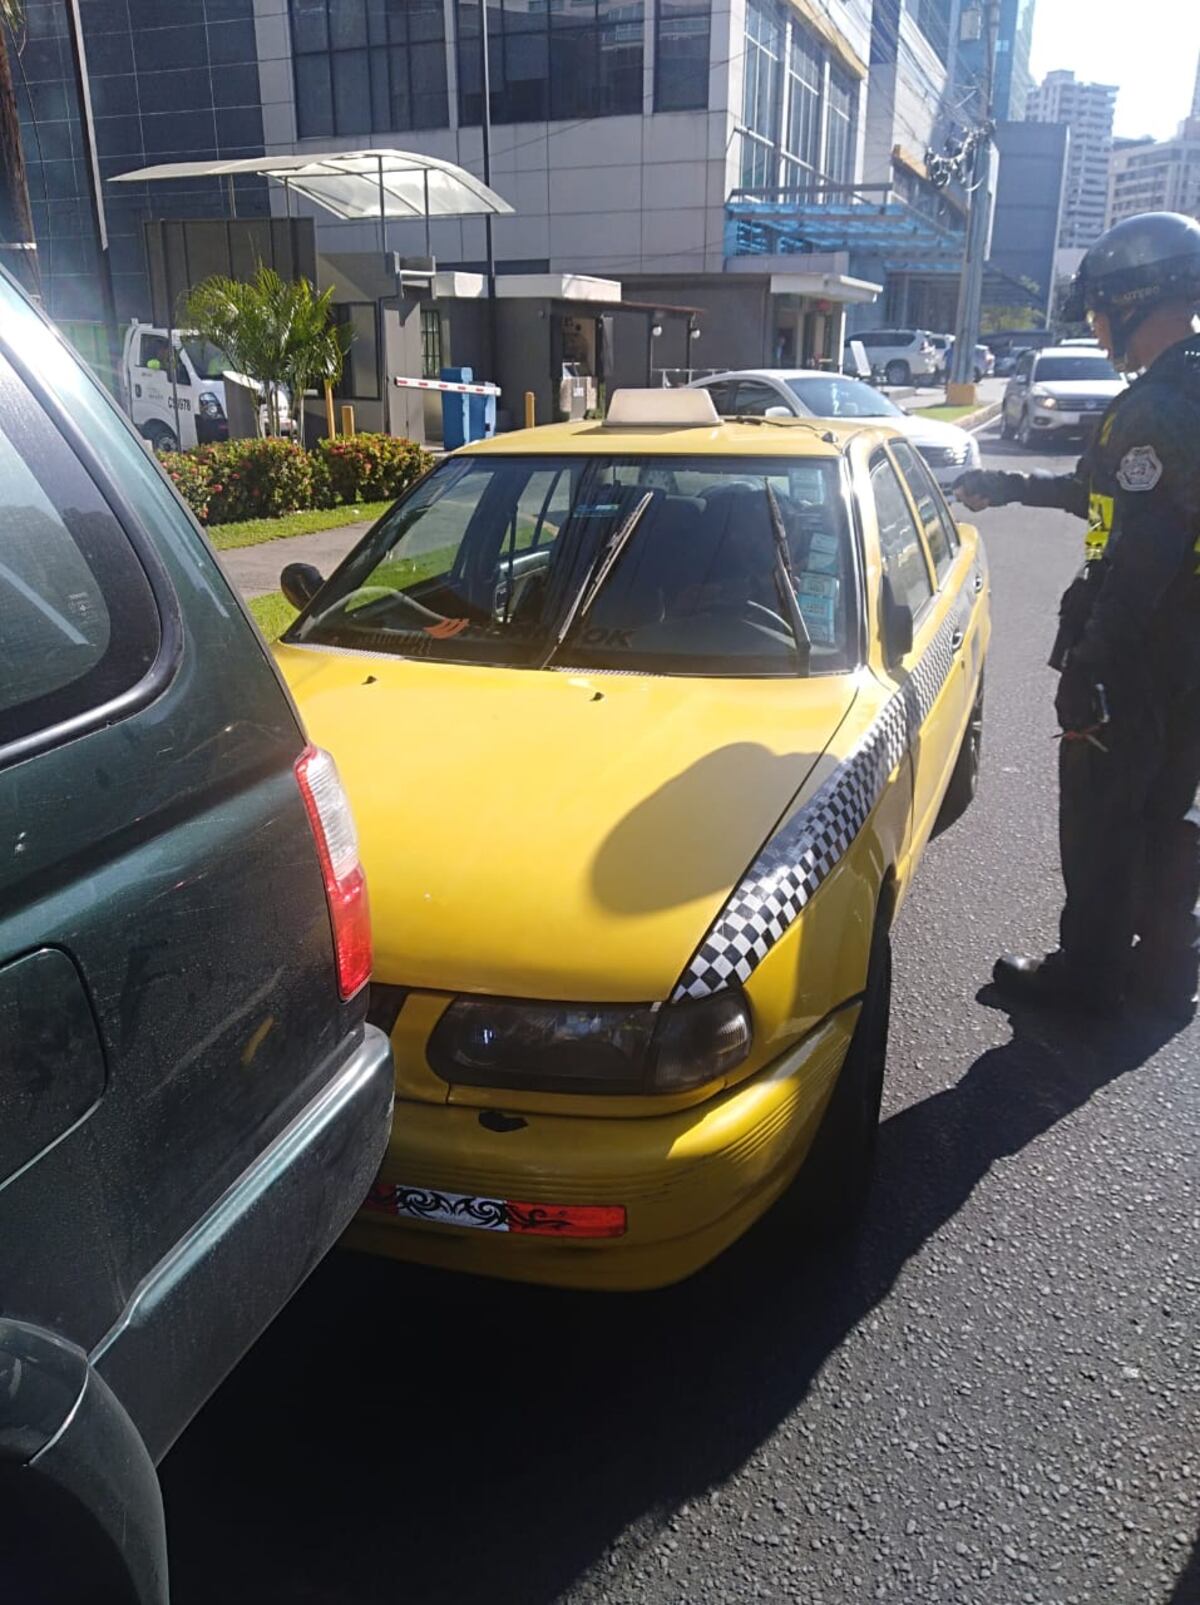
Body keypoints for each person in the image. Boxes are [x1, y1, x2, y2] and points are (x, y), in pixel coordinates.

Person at [955, 210, 1200, 1021]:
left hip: (1141, 657)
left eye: (1099, 310)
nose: (1096, 329)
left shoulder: (1157, 407)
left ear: (1136, 299)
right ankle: (1165, 970)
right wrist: (1009, 486)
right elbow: (1107, 496)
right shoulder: (1187, 388)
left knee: (1102, 824)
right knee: (1170, 815)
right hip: (1188, 652)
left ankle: (1086, 982)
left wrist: (1091, 668)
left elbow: (1140, 559)